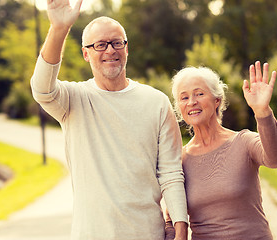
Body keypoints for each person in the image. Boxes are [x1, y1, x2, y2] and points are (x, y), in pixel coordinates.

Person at [30, 0, 188, 239]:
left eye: (116, 43)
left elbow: (170, 172)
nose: (110, 51)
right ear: (86, 53)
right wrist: (59, 29)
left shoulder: (156, 102)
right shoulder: (73, 100)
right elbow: (41, 88)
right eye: (100, 45)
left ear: (127, 48)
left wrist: (180, 227)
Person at [166, 61, 277, 239]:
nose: (192, 102)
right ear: (180, 108)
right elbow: (171, 215)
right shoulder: (179, 160)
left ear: (217, 100)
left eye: (199, 93)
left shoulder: (243, 141)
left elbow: (275, 158)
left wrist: (263, 112)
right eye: (184, 98)